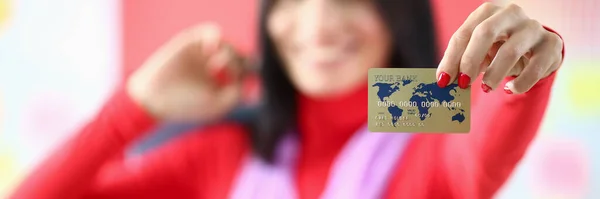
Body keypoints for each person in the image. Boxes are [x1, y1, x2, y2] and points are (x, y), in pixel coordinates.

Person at [10, 0, 564, 198]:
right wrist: (134, 107)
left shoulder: (421, 118)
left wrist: (525, 64)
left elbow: (486, 115)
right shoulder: (232, 150)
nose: (318, 24)